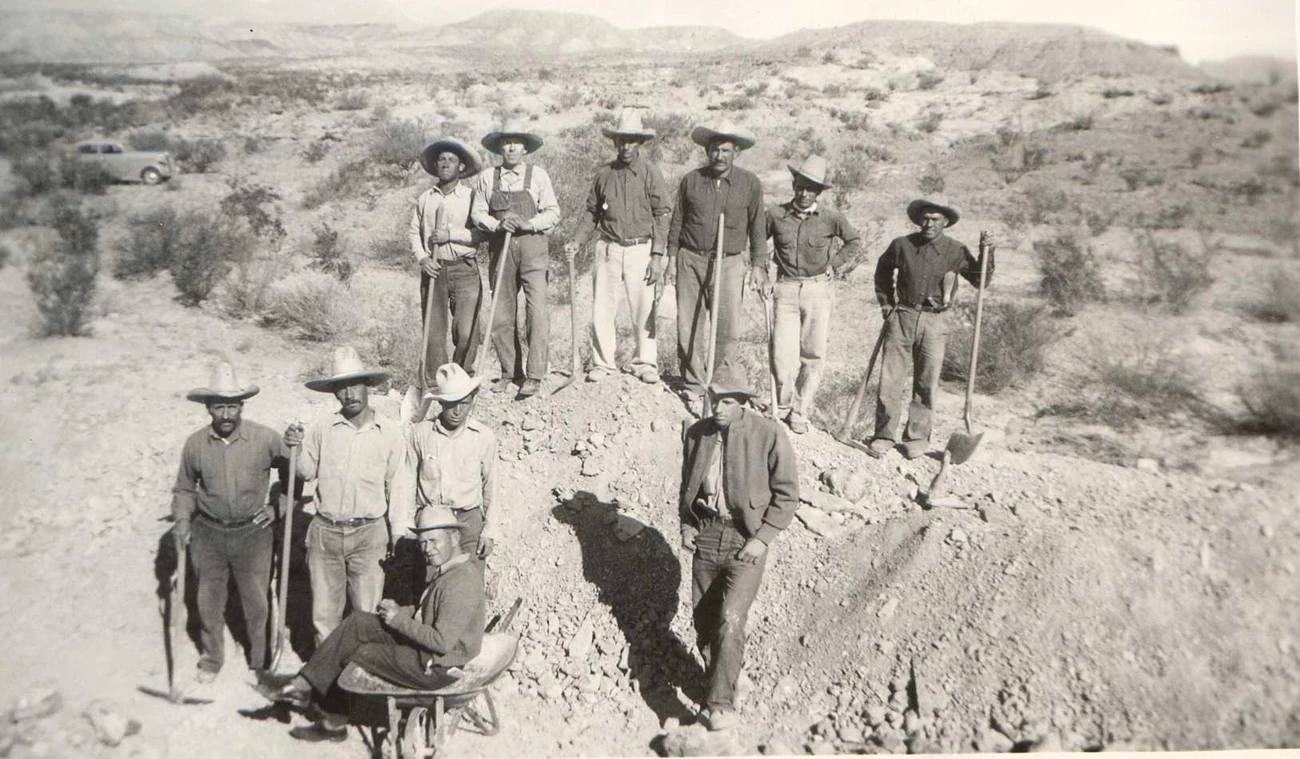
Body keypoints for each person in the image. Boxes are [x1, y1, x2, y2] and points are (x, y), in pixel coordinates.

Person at [265, 506, 485, 744]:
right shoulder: (449, 570)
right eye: (422, 542)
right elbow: (429, 611)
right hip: (427, 653)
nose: (427, 549)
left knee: (358, 653)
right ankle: (304, 684)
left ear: (454, 537)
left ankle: (332, 721)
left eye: (433, 541)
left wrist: (398, 621)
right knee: (359, 622)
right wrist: (402, 612)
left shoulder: (460, 582)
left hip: (436, 667)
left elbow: (441, 642)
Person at [678, 364, 799, 731]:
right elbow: (686, 485)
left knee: (731, 620)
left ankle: (719, 706)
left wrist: (762, 539)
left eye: (726, 401)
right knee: (704, 622)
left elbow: (788, 494)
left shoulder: (767, 434)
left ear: (743, 403)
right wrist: (685, 525)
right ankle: (725, 676)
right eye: (714, 399)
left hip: (745, 541)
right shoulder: (696, 433)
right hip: (707, 534)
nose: (716, 407)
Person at [171, 362, 288, 684]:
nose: (226, 414)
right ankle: (212, 657)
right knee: (208, 600)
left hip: (254, 533)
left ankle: (260, 662)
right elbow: (183, 488)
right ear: (208, 408)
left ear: (241, 406)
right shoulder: (195, 444)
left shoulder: (265, 438)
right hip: (208, 533)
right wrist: (182, 520)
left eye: (232, 406)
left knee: (257, 602)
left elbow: (295, 472)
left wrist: (280, 507)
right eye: (219, 407)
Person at [285, 346, 411, 644]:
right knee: (324, 617)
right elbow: (305, 472)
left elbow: (399, 488)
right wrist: (295, 449)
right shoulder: (322, 428)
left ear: (367, 386)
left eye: (355, 385)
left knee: (366, 615)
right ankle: (325, 683)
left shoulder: (390, 433)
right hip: (325, 532)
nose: (349, 394)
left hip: (369, 536)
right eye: (341, 387)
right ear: (333, 393)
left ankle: (360, 682)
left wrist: (398, 535)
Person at [869, 198, 995, 459]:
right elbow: (882, 272)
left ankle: (916, 439)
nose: (928, 223)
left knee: (926, 382)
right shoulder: (902, 245)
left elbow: (980, 281)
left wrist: (987, 254)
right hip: (902, 316)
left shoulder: (955, 250)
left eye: (935, 219)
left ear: (945, 222)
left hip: (935, 322)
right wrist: (886, 304)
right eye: (925, 218)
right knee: (890, 380)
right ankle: (883, 435)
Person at [655, 119, 765, 417]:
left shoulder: (750, 183)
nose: (720, 156)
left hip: (729, 262)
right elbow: (677, 221)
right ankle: (693, 382)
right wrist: (671, 258)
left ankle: (720, 383)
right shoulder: (691, 180)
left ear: (736, 153)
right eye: (715, 150)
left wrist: (758, 264)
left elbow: (757, 226)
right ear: (708, 151)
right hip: (691, 258)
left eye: (726, 151)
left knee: (727, 327)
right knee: (688, 324)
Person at [565, 107, 672, 385]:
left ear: (640, 143)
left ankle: (645, 361)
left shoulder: (651, 173)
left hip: (641, 249)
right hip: (608, 248)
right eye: (622, 140)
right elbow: (591, 213)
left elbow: (662, 214)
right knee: (602, 307)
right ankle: (602, 362)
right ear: (615, 142)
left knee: (643, 308)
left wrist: (658, 255)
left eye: (632, 140)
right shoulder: (604, 175)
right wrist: (577, 241)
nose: (626, 146)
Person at [758, 154, 863, 435]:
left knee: (813, 354)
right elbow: (757, 241)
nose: (804, 193)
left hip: (818, 290)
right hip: (786, 288)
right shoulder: (776, 214)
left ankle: (800, 411)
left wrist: (836, 264)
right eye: (800, 186)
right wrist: (760, 271)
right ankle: (780, 404)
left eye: (811, 188)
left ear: (819, 191)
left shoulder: (831, 218)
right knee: (782, 353)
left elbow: (853, 241)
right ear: (794, 186)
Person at [470, 119, 561, 399]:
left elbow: (552, 213)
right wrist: (498, 225)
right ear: (499, 147)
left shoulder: (538, 176)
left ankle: (534, 375)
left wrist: (527, 223)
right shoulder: (487, 177)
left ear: (524, 148)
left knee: (536, 312)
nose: (511, 148)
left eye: (516, 143)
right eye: (506, 143)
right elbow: (477, 213)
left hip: (533, 248)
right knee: (501, 312)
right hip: (501, 249)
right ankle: (510, 372)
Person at [403, 363, 499, 568]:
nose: (457, 411)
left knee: (468, 582)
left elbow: (492, 485)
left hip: (467, 522)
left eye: (464, 403)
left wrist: (489, 531)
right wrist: (407, 524)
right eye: (451, 403)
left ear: (472, 400)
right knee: (430, 585)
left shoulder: (483, 437)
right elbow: (407, 482)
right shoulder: (421, 433)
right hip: (431, 521)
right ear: (440, 403)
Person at [409, 137, 485, 381]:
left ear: (461, 166)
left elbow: (481, 233)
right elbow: (414, 231)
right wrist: (422, 259)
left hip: (464, 269)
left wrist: (451, 235)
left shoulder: (473, 197)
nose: (445, 164)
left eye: (451, 160)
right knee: (433, 332)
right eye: (441, 160)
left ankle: (461, 377)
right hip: (434, 270)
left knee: (466, 331)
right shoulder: (425, 199)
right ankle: (436, 382)